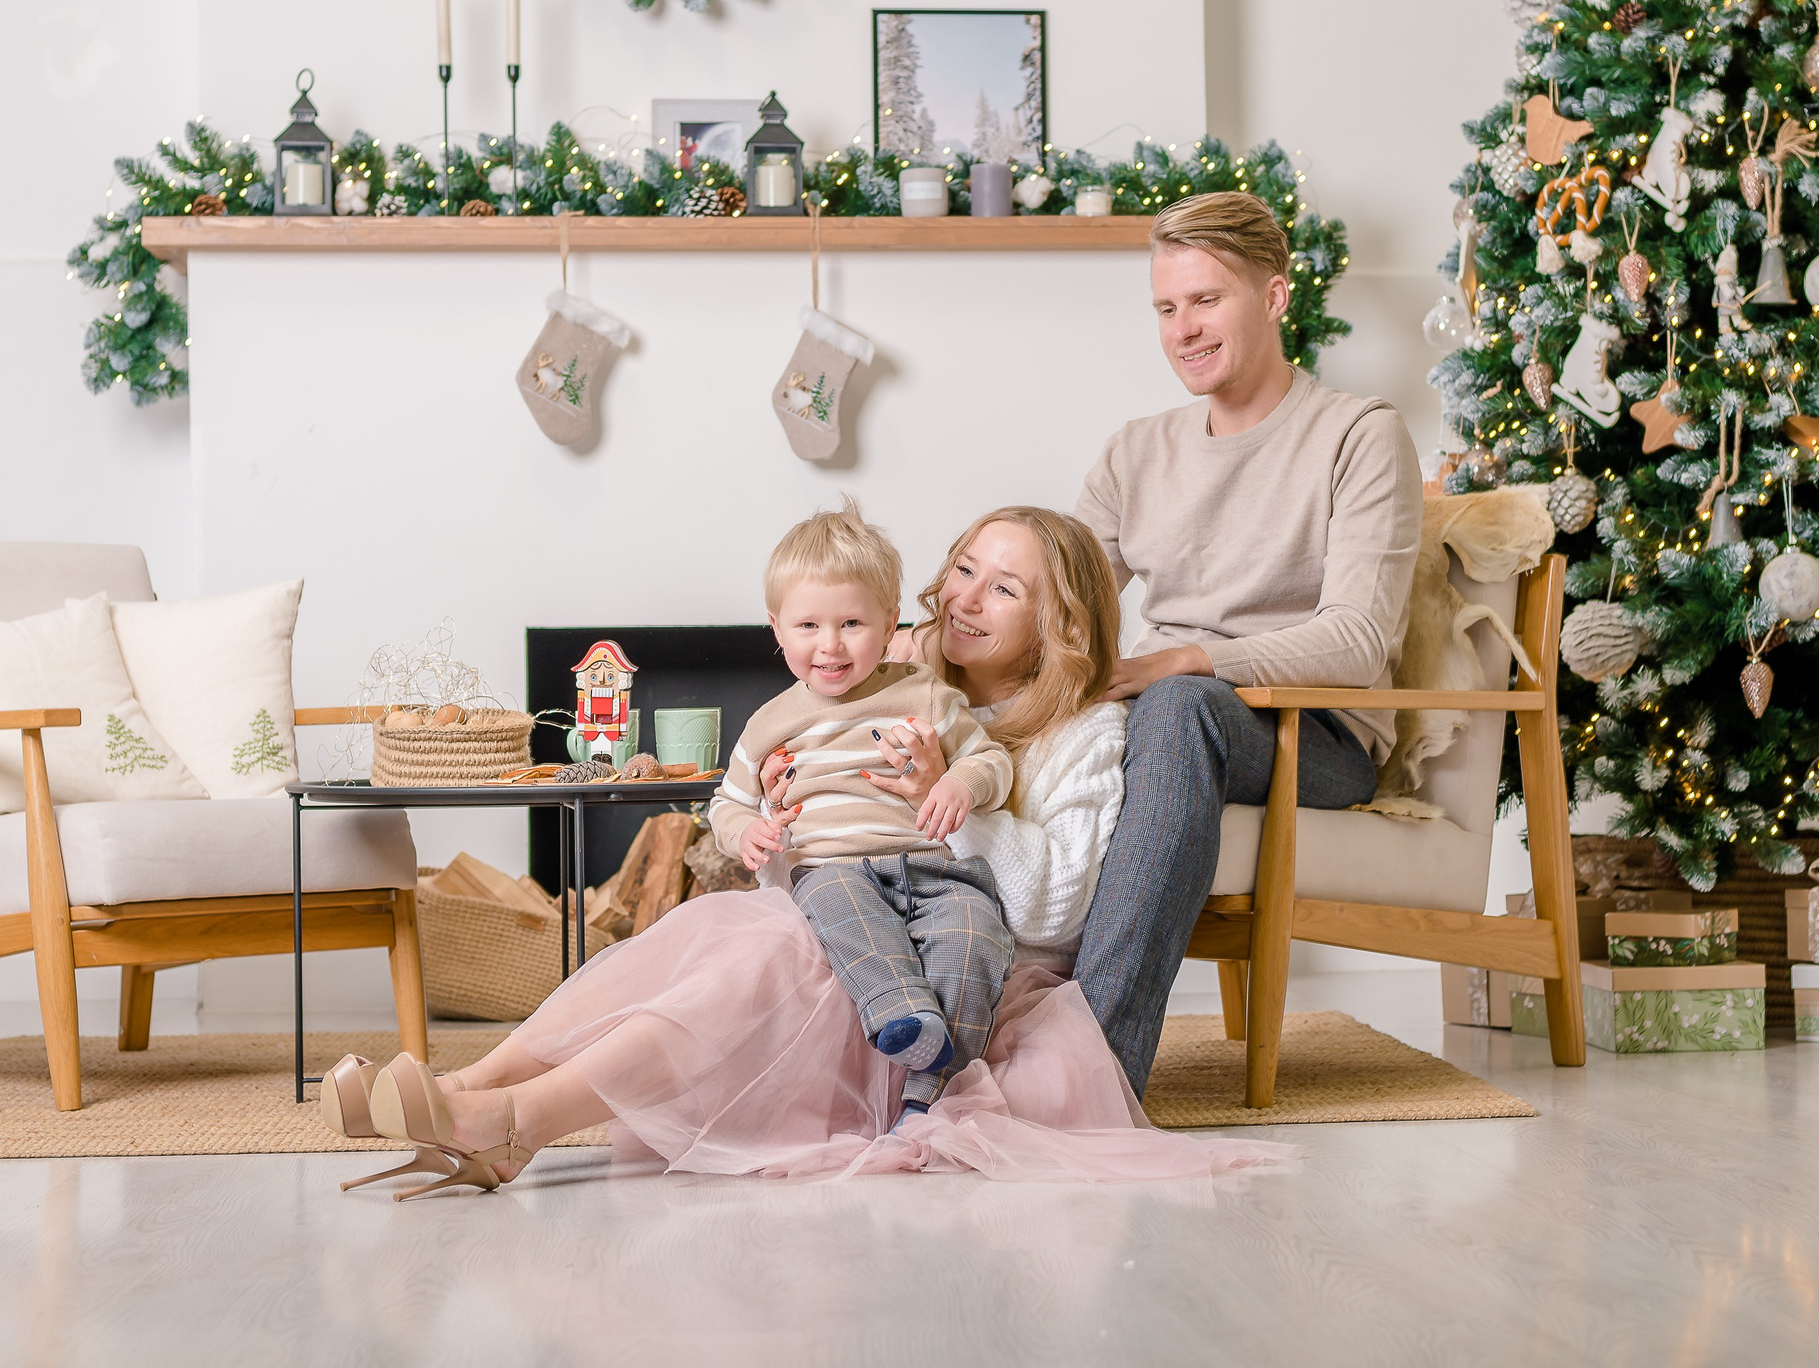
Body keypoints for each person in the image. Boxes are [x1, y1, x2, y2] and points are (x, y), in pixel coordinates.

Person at [319, 507, 1292, 1189]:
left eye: (1006, 587)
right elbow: (813, 843)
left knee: (756, 960)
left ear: (1059, 621)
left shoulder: (1083, 733)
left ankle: (508, 1125)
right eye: (962, 568)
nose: (966, 598)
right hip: (850, 917)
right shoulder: (878, 688)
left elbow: (1055, 910)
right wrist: (777, 831)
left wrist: (949, 802)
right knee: (708, 934)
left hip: (962, 978)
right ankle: (469, 1086)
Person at [1072, 191, 1422, 1095]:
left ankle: (1092, 1078)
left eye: (1205, 300)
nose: (1183, 328)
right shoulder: (1133, 451)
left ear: (1273, 297)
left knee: (1178, 703)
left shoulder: (1359, 433)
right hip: (1171, 721)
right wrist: (944, 640)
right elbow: (1063, 604)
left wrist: (1187, 658)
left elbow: (1358, 636)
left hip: (1316, 737)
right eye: (1165, 307)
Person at [707, 500, 1016, 1119]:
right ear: (776, 628)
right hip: (834, 868)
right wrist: (746, 832)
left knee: (975, 930)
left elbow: (994, 763)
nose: (831, 646)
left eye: (852, 623)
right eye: (808, 627)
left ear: (890, 620)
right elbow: (726, 803)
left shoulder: (923, 692)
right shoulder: (770, 722)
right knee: (836, 902)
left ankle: (931, 1094)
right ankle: (903, 1010)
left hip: (932, 869)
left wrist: (960, 783)